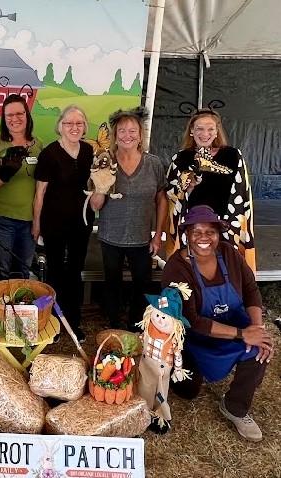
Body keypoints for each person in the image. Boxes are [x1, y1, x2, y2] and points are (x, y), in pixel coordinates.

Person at [162, 205, 272, 442]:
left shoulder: (230, 253)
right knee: (187, 391)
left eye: (210, 231)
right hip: (193, 338)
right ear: (187, 235)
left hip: (231, 323)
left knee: (259, 350)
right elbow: (191, 321)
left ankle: (235, 407)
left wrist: (257, 330)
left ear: (218, 234)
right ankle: (188, 367)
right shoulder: (176, 268)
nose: (204, 238)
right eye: (196, 231)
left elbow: (252, 291)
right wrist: (243, 334)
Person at [90, 108, 167, 330]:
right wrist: (101, 184)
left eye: (132, 131)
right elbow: (96, 205)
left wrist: (158, 235)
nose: (127, 135)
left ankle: (137, 324)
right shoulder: (105, 161)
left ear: (140, 135)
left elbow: (161, 199)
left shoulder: (153, 164)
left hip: (142, 238)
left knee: (142, 283)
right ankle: (114, 322)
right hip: (110, 237)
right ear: (115, 135)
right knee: (111, 282)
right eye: (122, 131)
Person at [165, 108, 256, 271]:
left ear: (216, 132)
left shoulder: (233, 156)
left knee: (224, 271)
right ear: (192, 131)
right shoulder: (180, 158)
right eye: (199, 128)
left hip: (225, 228)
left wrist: (231, 228)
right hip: (193, 228)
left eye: (210, 129)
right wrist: (187, 189)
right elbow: (172, 198)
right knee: (192, 273)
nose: (204, 133)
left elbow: (242, 194)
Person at [32, 105, 94, 338]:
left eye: (79, 123)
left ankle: (74, 322)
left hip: (82, 221)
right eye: (69, 123)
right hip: (54, 222)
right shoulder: (49, 153)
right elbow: (39, 193)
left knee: (75, 271)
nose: (74, 128)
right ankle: (54, 324)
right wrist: (36, 224)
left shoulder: (89, 151)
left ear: (84, 127)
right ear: (60, 126)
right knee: (56, 271)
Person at [0, 94, 43, 278]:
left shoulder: (38, 144)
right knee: (2, 270)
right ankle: (1, 306)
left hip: (28, 219)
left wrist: (37, 220)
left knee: (24, 270)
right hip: (2, 218)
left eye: (19, 113)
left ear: (27, 115)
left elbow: (42, 186)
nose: (15, 118)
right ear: (4, 118)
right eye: (9, 115)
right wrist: (6, 170)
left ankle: (22, 306)